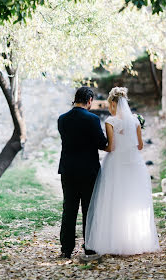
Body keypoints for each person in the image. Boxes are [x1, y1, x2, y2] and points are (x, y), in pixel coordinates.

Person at [85, 87, 160, 255]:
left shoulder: (110, 121)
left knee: (114, 199)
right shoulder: (135, 121)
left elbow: (111, 147)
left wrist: (102, 147)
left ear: (113, 103)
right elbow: (140, 146)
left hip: (116, 163)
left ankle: (114, 241)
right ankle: (135, 241)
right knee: (132, 200)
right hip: (134, 163)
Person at [57, 86, 108, 259]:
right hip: (88, 171)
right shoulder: (93, 119)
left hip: (68, 170)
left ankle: (66, 249)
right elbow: (102, 144)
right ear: (90, 100)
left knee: (69, 209)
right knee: (89, 209)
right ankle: (89, 247)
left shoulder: (62, 119)